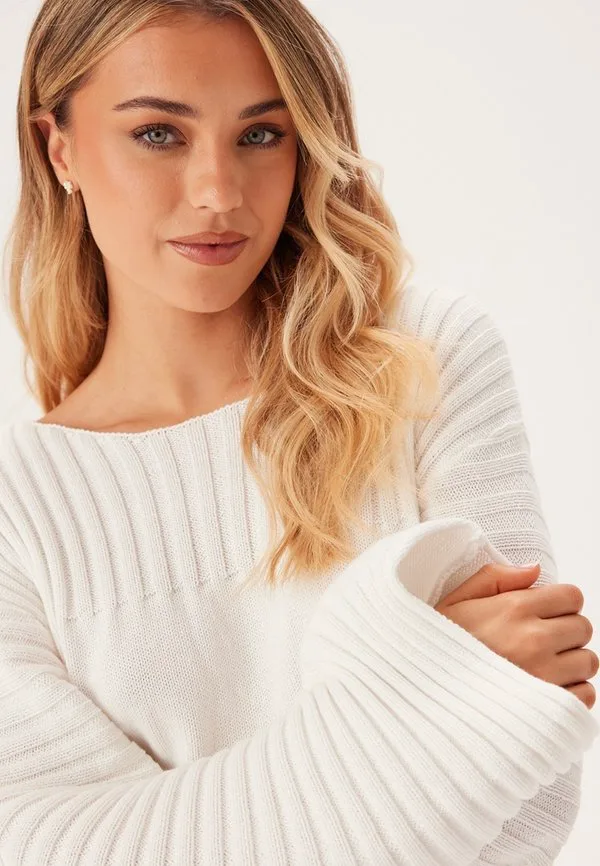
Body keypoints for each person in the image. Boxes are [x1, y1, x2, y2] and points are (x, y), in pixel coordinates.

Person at [0, 2, 596, 863]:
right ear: (59, 148)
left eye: (261, 135)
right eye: (159, 134)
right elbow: (54, 847)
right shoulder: (19, 508)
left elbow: (531, 801)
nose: (217, 192)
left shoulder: (424, 361)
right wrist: (426, 707)